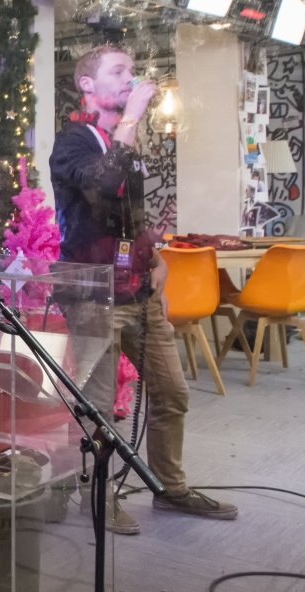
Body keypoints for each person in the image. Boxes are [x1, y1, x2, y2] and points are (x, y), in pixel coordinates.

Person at [50, 44, 237, 534]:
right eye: (118, 71)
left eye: (132, 71)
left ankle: (170, 488)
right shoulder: (73, 142)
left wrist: (153, 256)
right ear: (87, 84)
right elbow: (101, 187)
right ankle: (95, 498)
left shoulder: (123, 142)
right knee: (99, 405)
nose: (130, 79)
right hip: (93, 295)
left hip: (138, 292)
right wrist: (132, 117)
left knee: (172, 391)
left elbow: (128, 217)